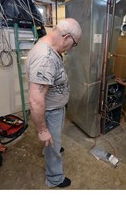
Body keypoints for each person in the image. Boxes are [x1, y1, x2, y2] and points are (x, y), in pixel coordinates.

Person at [26, 18, 82, 188]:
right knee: (52, 143)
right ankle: (54, 178)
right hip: (50, 112)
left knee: (54, 142)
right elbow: (36, 100)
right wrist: (43, 130)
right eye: (74, 44)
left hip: (55, 108)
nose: (72, 48)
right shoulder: (45, 58)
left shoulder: (47, 44)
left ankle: (51, 149)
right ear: (66, 37)